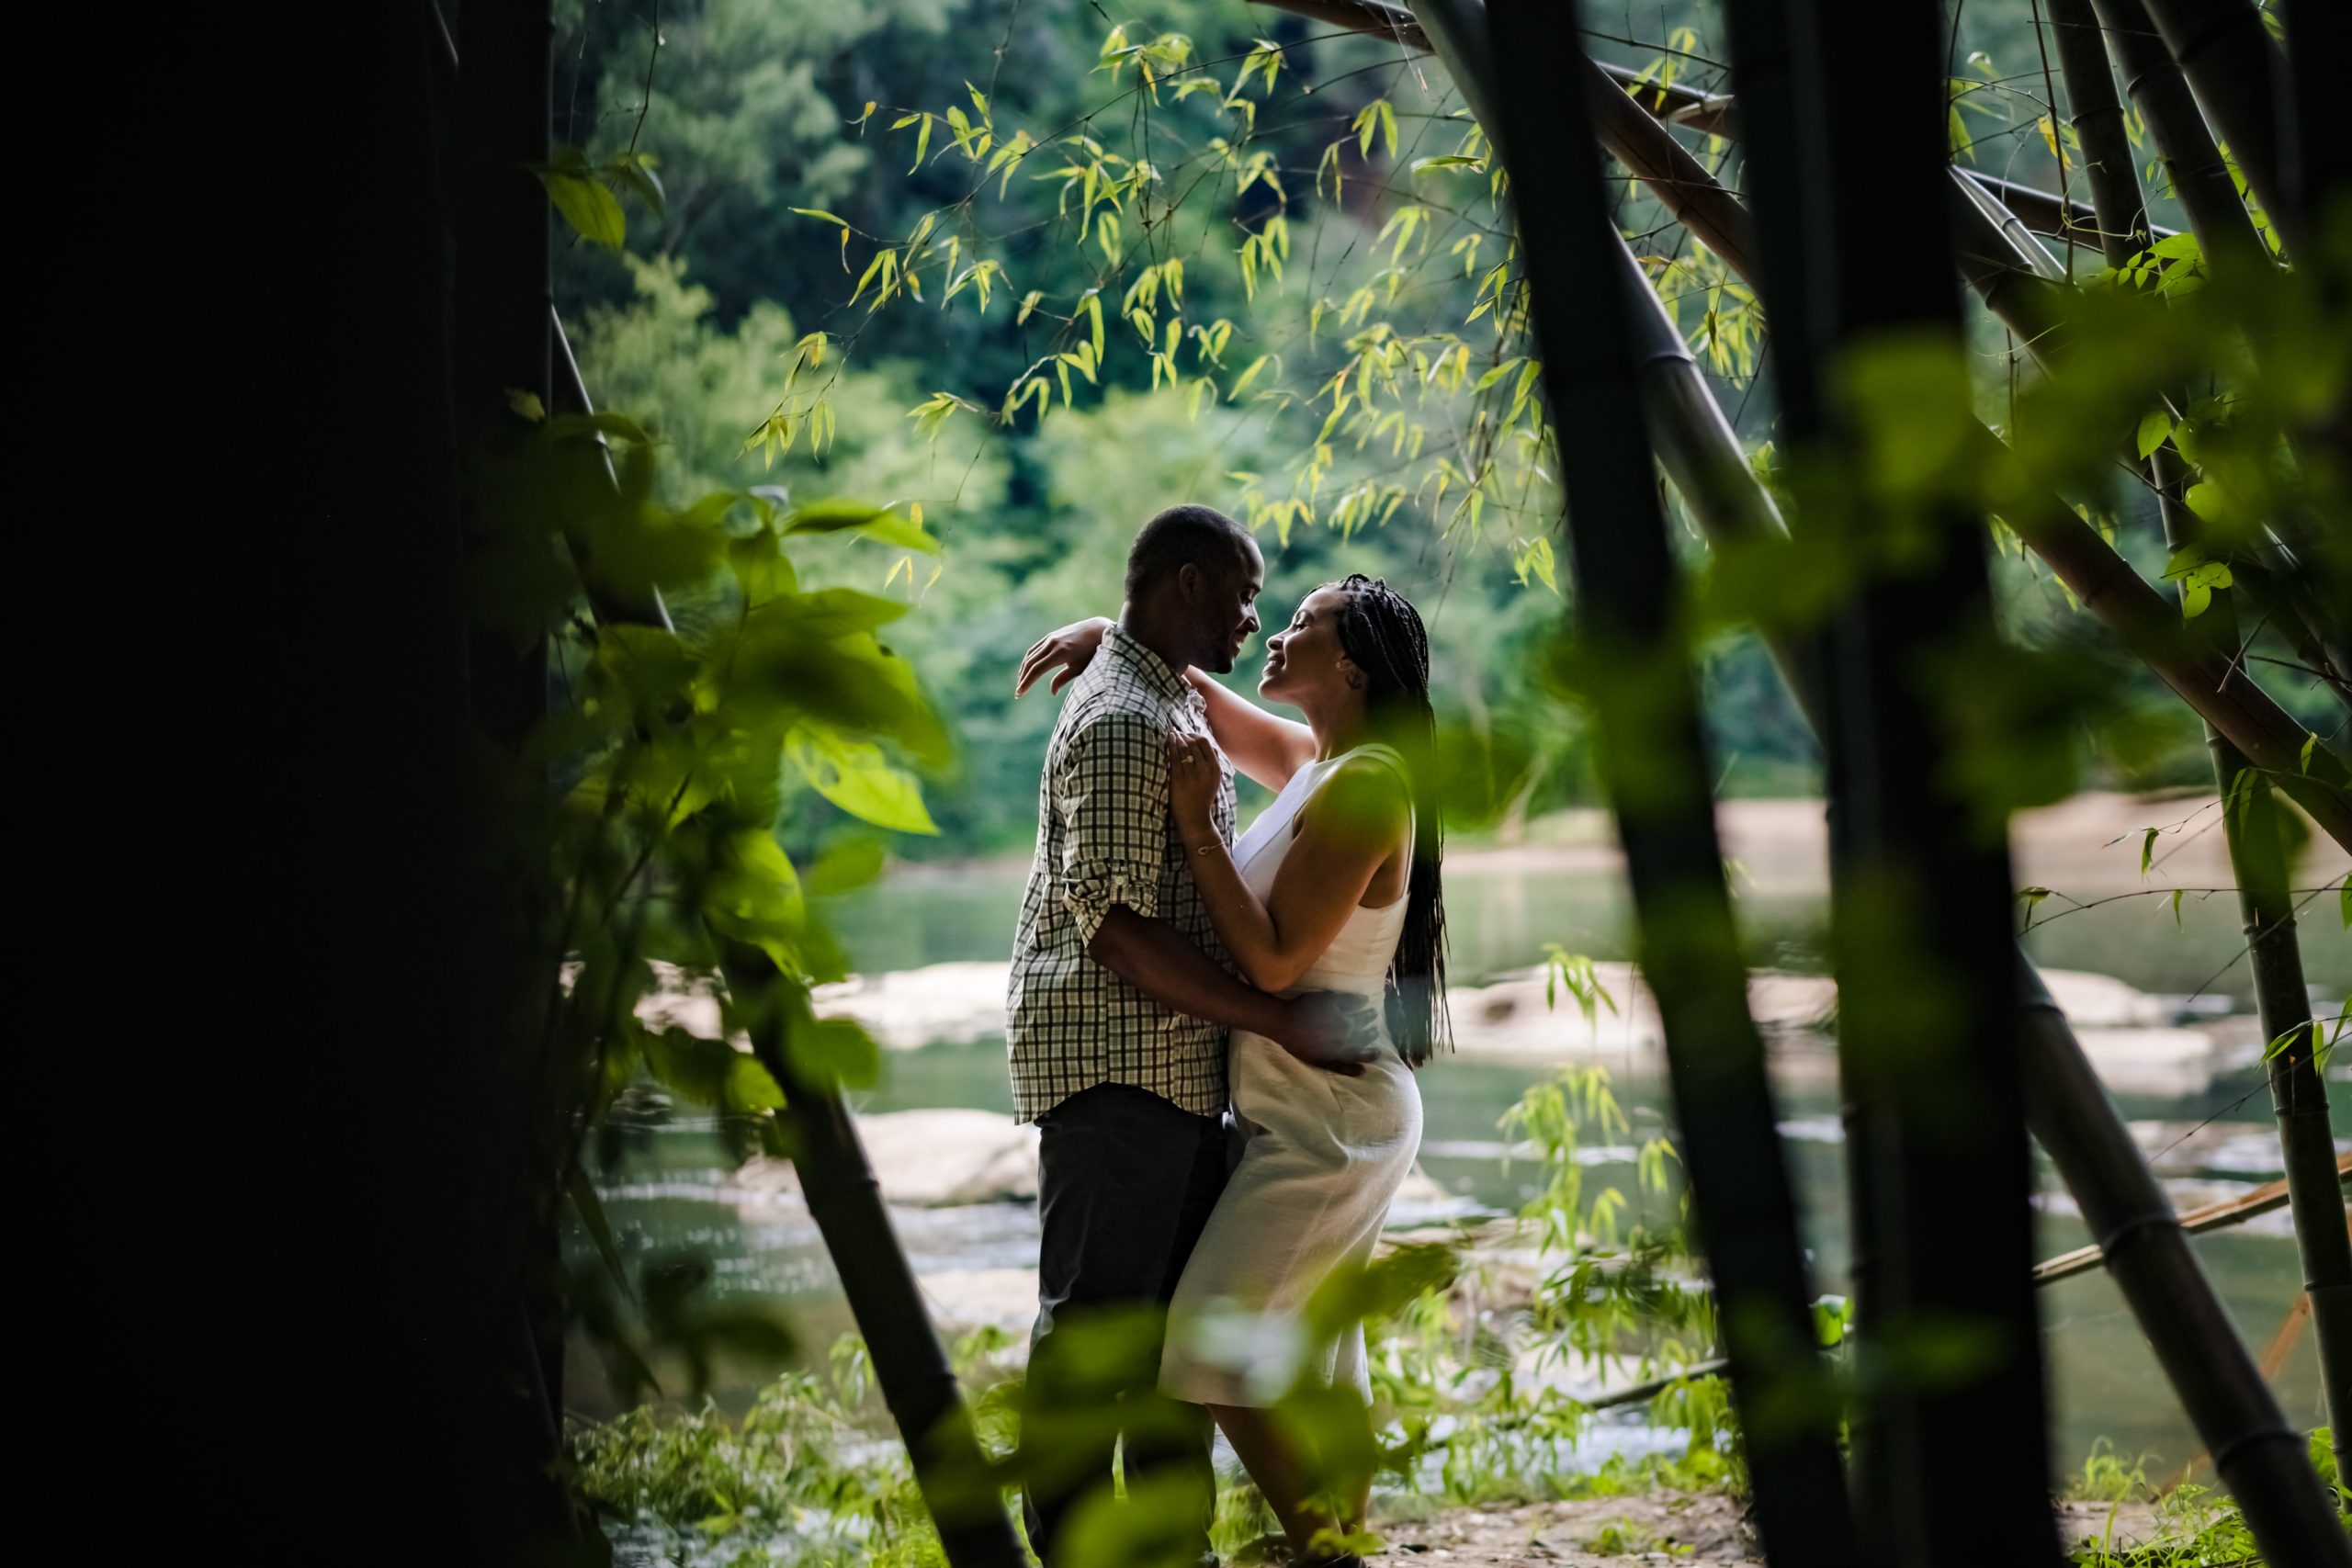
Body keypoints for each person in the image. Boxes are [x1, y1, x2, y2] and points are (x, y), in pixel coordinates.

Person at [1018, 570, 1451, 1568]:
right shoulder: (1318, 759)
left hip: (1333, 1120)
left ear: (1347, 665)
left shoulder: (1370, 783)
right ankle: (1343, 1542)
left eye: (1303, 623)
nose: (1279, 631)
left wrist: (1198, 821)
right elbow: (1210, 704)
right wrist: (1109, 637)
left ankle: (1327, 1552)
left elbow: (1272, 960)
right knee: (1325, 1365)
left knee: (1207, 1353)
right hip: (1303, 1111)